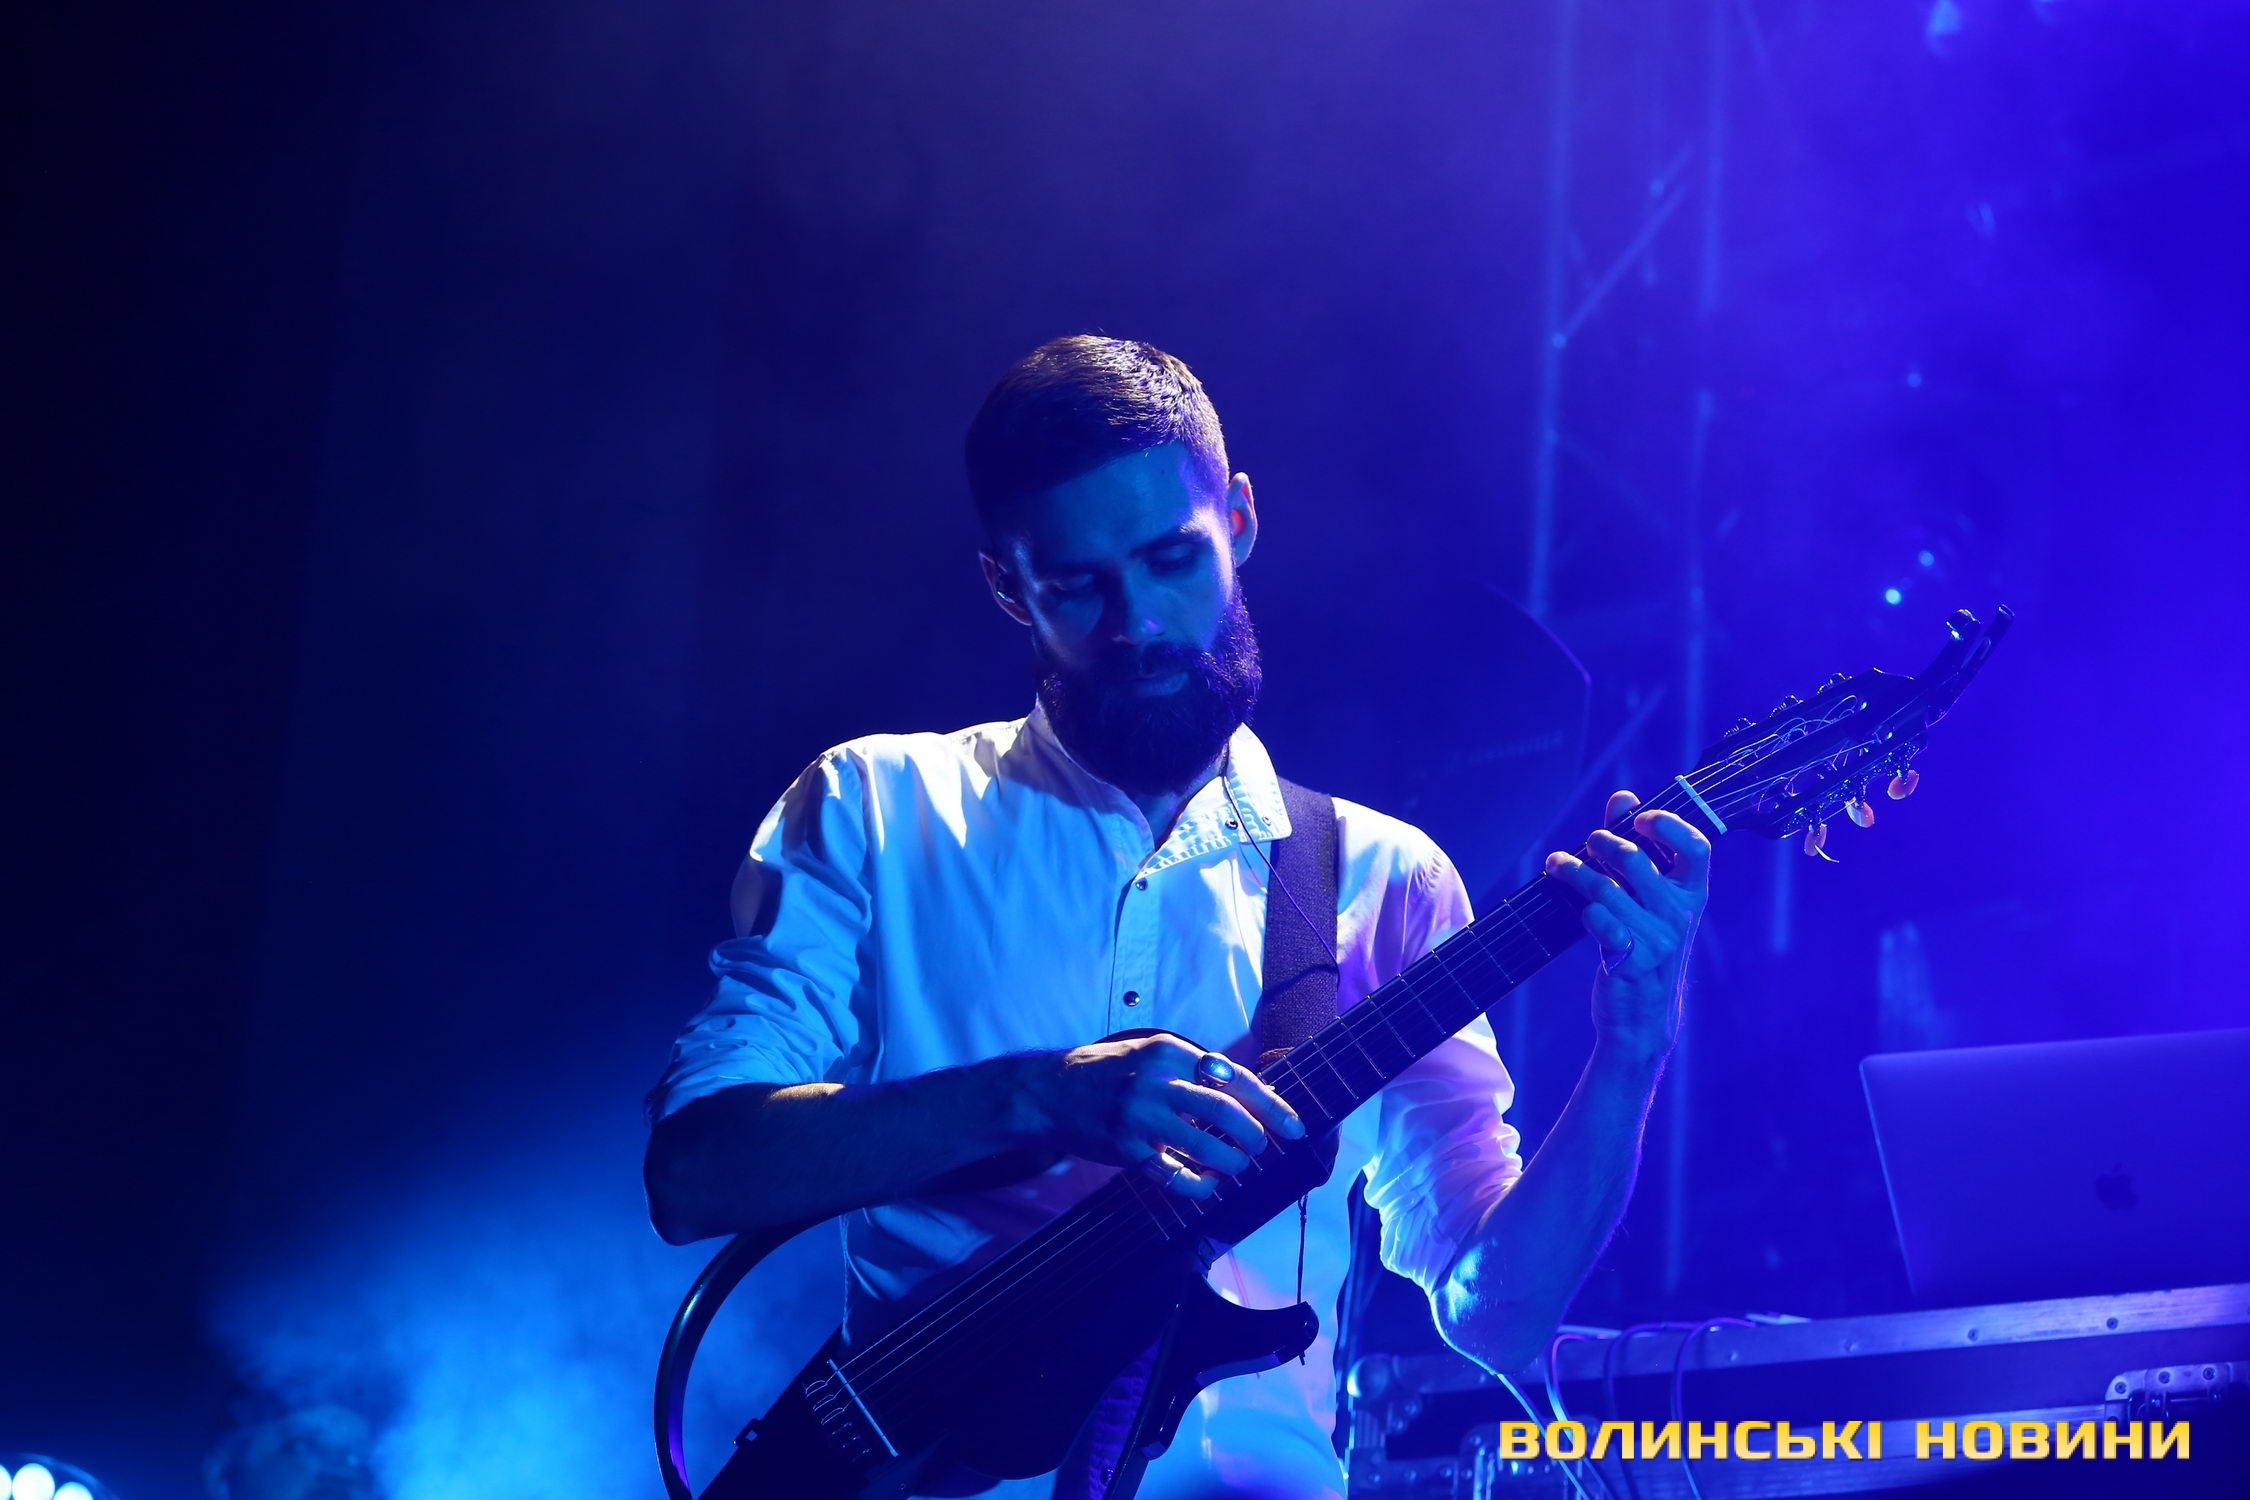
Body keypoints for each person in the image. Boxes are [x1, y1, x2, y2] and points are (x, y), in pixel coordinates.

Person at [642, 335, 1710, 1499]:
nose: (1140, 623)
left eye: (1171, 558)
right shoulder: (876, 810)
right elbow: (698, 1173)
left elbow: (1496, 1317)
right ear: (1007, 584)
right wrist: (1041, 1097)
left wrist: (1632, 1052)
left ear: (1238, 520)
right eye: (1077, 585)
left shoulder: (1382, 878)